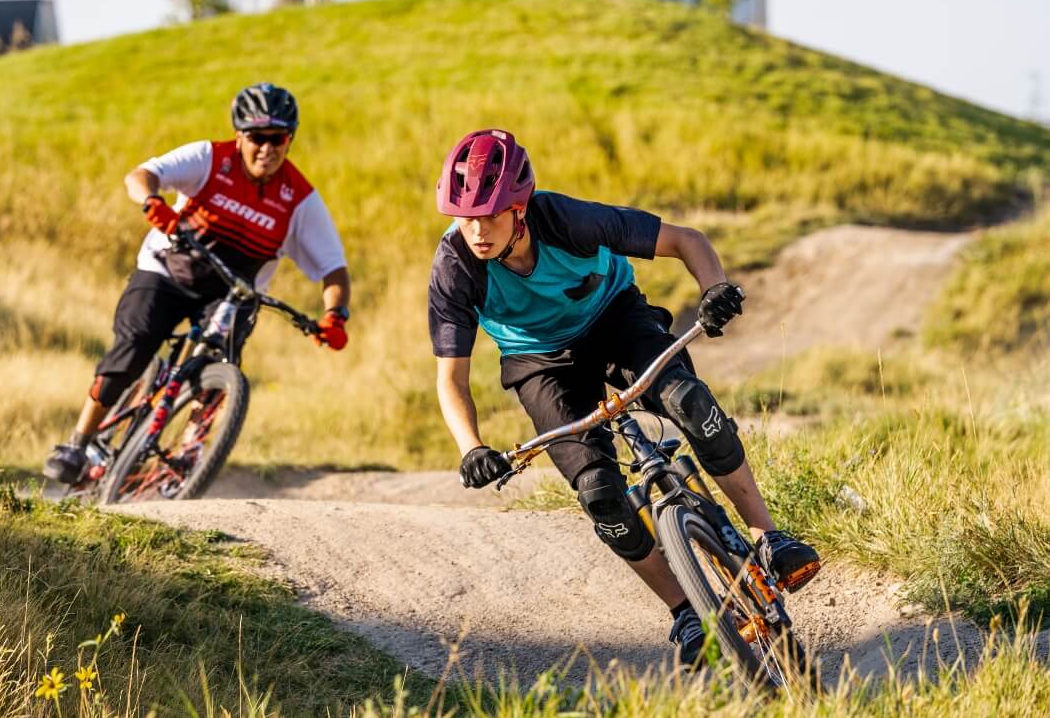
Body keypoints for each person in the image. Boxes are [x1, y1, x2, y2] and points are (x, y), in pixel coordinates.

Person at [427, 128, 820, 666]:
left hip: (614, 319)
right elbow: (451, 378)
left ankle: (769, 538)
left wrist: (714, 290)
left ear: (520, 208)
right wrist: (471, 447)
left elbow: (686, 240)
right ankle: (686, 611)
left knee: (690, 403)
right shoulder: (455, 265)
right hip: (540, 363)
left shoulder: (566, 220)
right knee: (600, 494)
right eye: (463, 216)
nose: (475, 229)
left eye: (489, 215)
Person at [44, 82, 351, 484]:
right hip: (167, 271)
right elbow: (142, 175)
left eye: (278, 138)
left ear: (289, 139)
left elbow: (335, 268)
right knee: (134, 347)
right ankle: (78, 441)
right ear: (240, 136)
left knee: (222, 362)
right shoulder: (210, 158)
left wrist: (336, 315)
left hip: (231, 292)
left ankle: (191, 451)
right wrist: (153, 203)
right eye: (257, 137)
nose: (267, 148)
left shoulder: (299, 198)